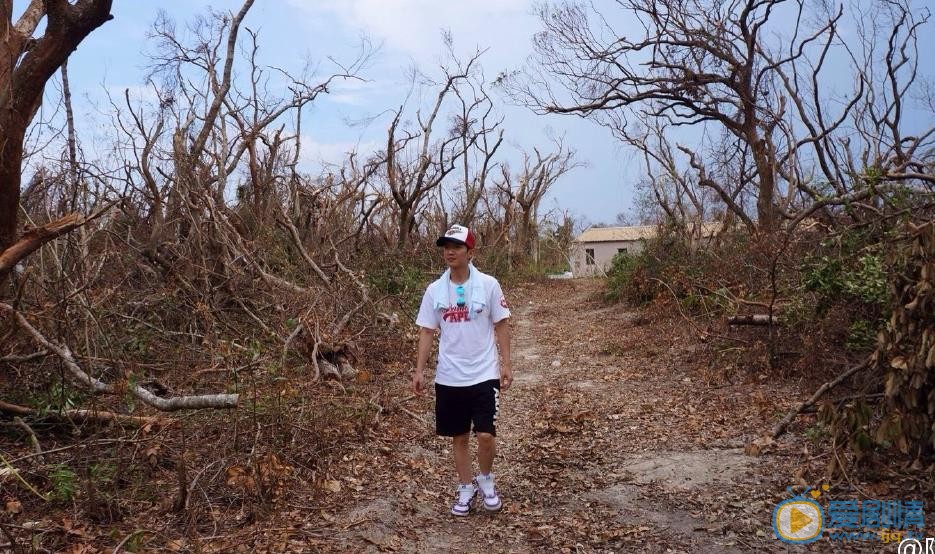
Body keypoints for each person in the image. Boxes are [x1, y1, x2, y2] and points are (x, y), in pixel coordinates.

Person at [413, 224, 513, 516]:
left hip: (484, 373)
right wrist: (419, 370)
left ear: (470, 252)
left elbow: (502, 323)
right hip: (450, 376)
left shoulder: (489, 285)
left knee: (485, 435)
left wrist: (506, 364)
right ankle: (466, 487)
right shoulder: (434, 290)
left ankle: (486, 480)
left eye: (456, 247)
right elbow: (427, 331)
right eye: (446, 247)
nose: (450, 252)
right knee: (459, 437)